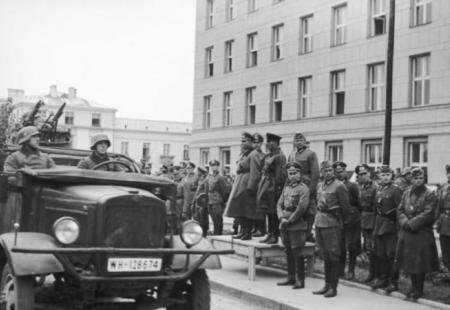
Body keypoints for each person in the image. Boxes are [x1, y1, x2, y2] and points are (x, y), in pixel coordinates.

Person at [396, 167, 439, 300]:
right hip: (408, 232)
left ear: (424, 179)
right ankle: (413, 287)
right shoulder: (407, 192)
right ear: (412, 179)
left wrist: (412, 224)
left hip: (422, 233)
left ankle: (419, 290)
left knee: (420, 262)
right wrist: (404, 222)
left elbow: (429, 213)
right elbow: (400, 209)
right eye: (415, 178)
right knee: (410, 261)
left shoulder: (430, 194)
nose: (418, 181)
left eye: (421, 178)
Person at [313, 161, 351, 298]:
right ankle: (326, 284)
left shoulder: (339, 186)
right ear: (321, 172)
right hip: (320, 222)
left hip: (333, 224)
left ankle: (333, 288)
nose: (328, 173)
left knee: (333, 255)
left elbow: (346, 209)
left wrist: (341, 224)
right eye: (325, 170)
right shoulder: (320, 185)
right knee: (325, 255)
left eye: (330, 170)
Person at [276, 162, 310, 289]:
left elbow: (302, 208)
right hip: (284, 224)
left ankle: (300, 279)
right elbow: (279, 204)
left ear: (300, 174)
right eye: (290, 173)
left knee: (297, 251)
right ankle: (290, 277)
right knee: (288, 251)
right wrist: (281, 218)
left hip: (296, 224)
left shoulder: (303, 189)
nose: (292, 176)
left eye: (295, 173)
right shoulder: (287, 188)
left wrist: (289, 220)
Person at [371, 165, 403, 293]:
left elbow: (400, 210)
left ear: (392, 176)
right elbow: (375, 210)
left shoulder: (396, 190)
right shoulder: (379, 189)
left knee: (391, 255)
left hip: (390, 226)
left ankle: (393, 282)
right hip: (380, 225)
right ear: (379, 176)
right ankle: (383, 279)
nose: (385, 177)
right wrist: (375, 227)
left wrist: (398, 227)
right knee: (381, 254)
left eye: (388, 175)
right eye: (383, 175)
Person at [225, 132, 261, 240]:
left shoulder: (254, 154)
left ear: (250, 142)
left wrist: (251, 187)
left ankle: (247, 233)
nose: (242, 143)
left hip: (247, 186)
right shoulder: (244, 154)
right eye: (241, 141)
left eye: (244, 141)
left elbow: (255, 172)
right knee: (240, 210)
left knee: (248, 211)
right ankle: (242, 231)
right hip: (240, 184)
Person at [288, 133, 319, 242]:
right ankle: (299, 233)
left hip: (307, 185)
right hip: (295, 187)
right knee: (296, 209)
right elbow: (289, 172)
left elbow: (315, 174)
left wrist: (311, 190)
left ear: (305, 141)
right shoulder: (292, 155)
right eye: (297, 140)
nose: (299, 142)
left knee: (309, 211)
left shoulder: (311, 154)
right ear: (294, 143)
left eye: (301, 139)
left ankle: (308, 232)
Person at [333, 161, 361, 280]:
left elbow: (358, 203)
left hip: (352, 219)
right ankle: (340, 270)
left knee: (352, 245)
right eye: (338, 172)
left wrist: (353, 215)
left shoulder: (352, 186)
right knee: (340, 246)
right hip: (339, 219)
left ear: (346, 171)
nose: (340, 174)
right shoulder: (333, 186)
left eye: (342, 171)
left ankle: (351, 271)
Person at [257, 133, 286, 244]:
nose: (267, 144)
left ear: (275, 143)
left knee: (273, 212)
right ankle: (270, 234)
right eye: (267, 142)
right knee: (268, 211)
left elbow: (281, 175)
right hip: (267, 186)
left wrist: (278, 189)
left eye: (270, 142)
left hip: (274, 187)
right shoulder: (270, 155)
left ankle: (274, 235)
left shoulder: (280, 156)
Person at [355, 164, 378, 283]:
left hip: (373, 221)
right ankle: (372, 273)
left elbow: (376, 207)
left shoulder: (375, 187)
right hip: (365, 220)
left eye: (365, 173)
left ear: (370, 173)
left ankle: (376, 275)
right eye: (360, 174)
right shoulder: (361, 187)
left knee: (375, 249)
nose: (363, 176)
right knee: (369, 249)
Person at [200, 160, 229, 235]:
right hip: (210, 200)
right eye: (212, 166)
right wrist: (206, 200)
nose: (214, 167)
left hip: (217, 201)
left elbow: (224, 191)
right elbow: (206, 190)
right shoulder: (209, 177)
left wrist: (223, 201)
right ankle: (216, 233)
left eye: (215, 165)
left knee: (218, 219)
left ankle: (219, 234)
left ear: (218, 167)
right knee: (213, 219)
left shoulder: (220, 177)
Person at [251, 133, 266, 237]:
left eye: (257, 142)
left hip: (260, 183)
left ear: (261, 143)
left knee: (260, 208)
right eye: (253, 142)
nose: (255, 145)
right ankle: (254, 227)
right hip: (251, 184)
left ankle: (261, 229)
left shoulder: (263, 156)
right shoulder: (250, 154)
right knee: (252, 207)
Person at [437, 165, 450, 274]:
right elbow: (439, 206)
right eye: (448, 173)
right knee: (446, 253)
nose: (449, 175)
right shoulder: (444, 187)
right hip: (444, 224)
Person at [193, 166, 209, 236]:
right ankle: (199, 232)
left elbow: (206, 193)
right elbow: (196, 191)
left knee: (203, 219)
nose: (196, 172)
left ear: (201, 173)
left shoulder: (205, 180)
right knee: (197, 218)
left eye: (198, 171)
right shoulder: (199, 180)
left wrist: (204, 205)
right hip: (197, 202)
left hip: (202, 203)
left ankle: (203, 233)